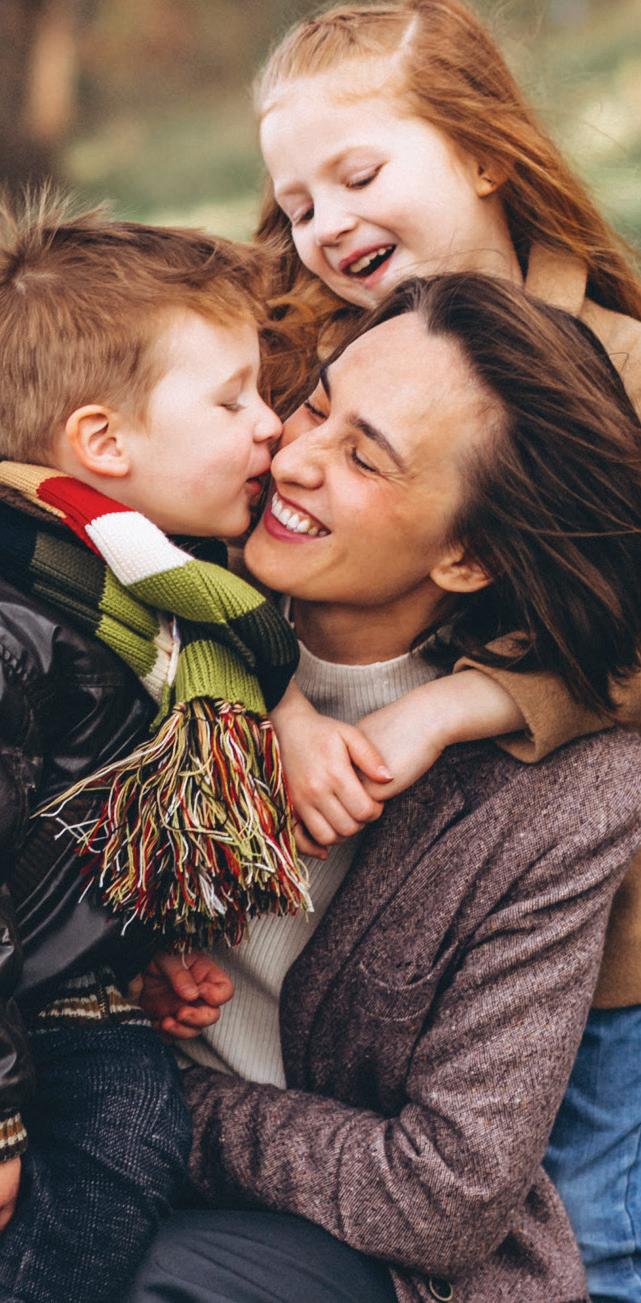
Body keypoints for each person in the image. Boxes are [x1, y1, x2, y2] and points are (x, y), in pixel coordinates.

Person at [131, 274, 641, 1303]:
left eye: (363, 457)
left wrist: (142, 1105)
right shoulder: (148, 597)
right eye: (315, 406)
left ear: (468, 554)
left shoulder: (562, 798)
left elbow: (443, 1193)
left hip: (368, 1260)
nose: (295, 457)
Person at [252, 6, 641, 1295]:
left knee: (587, 1234)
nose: (325, 224)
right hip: (393, 945)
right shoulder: (315, 358)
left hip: (593, 938)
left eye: (358, 174)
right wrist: (272, 698)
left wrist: (461, 705)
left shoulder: (618, 371)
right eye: (296, 204)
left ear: (483, 152)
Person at [0, 193, 329, 1303]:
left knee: (134, 1127)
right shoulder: (20, 622)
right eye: (232, 399)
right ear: (103, 441)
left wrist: (129, 949)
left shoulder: (163, 601)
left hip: (65, 990)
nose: (272, 425)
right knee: (113, 1152)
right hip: (18, 1020)